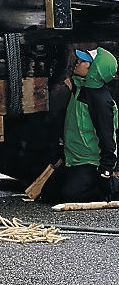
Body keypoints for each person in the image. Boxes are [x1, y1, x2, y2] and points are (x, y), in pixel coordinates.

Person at [61, 48, 118, 202]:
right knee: (49, 193)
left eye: (83, 61)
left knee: (70, 195)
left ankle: (113, 187)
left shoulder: (100, 101)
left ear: (94, 69)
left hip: (91, 162)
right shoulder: (80, 88)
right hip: (73, 159)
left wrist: (106, 171)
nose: (77, 62)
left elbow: (107, 138)